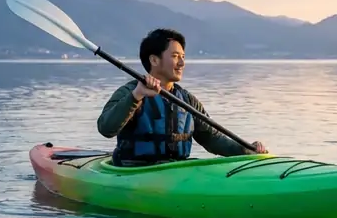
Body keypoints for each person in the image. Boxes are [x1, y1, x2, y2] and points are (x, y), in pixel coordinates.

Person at [97, 28, 266, 166]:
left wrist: (246, 150)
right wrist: (137, 95)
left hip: (176, 169)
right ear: (154, 60)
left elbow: (212, 138)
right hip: (134, 171)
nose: (182, 63)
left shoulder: (187, 100)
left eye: (183, 57)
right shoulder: (129, 92)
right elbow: (106, 128)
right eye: (175, 56)